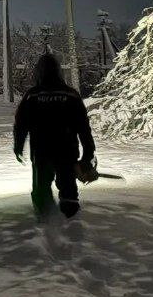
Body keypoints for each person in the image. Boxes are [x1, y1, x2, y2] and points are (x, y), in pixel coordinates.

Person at [13, 52, 96, 220]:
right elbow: (83, 127)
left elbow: (21, 124)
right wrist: (88, 153)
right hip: (67, 151)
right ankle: (71, 223)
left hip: (41, 151)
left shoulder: (32, 95)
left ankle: (44, 223)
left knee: (41, 188)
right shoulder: (71, 95)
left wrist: (18, 146)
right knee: (68, 188)